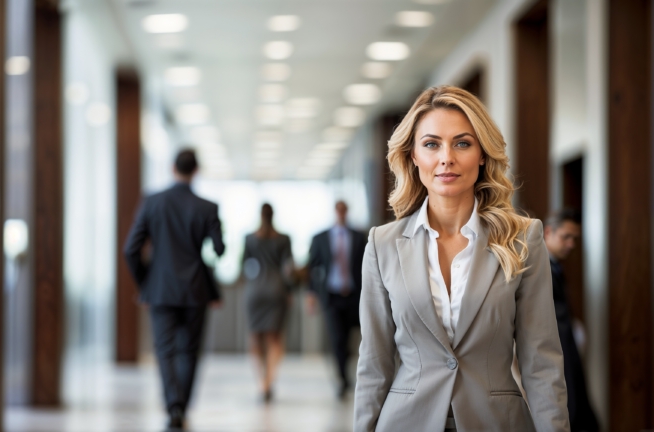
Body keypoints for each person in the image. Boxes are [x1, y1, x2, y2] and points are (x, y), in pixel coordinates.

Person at [354, 86, 569, 431]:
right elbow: (374, 362)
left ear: (482, 154)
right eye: (431, 144)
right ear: (412, 155)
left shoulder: (522, 239)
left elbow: (540, 361)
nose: (446, 158)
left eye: (462, 143)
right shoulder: (383, 244)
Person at [123, 149, 225, 430]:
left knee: (165, 350)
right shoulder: (207, 207)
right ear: (196, 170)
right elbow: (219, 249)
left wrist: (145, 283)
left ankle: (173, 406)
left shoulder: (153, 202)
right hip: (195, 289)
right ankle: (182, 404)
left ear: (172, 168)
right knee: (189, 351)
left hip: (161, 289)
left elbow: (130, 248)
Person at [544, 209, 599, 432]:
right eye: (565, 237)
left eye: (574, 239)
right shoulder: (541, 269)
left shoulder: (556, 267)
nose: (571, 244)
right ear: (548, 232)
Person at [307, 201, 368, 399]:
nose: (341, 214)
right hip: (331, 296)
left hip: (354, 295)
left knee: (355, 339)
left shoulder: (359, 237)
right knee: (337, 339)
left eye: (344, 211)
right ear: (335, 212)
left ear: (347, 212)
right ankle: (342, 379)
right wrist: (311, 294)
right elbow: (311, 267)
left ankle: (352, 374)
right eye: (338, 211)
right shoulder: (321, 238)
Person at [241, 203, 294, 402]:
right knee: (275, 338)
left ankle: (260, 382)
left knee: (255, 337)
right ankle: (269, 380)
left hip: (255, 290)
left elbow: (243, 267)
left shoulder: (249, 239)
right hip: (276, 290)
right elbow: (288, 269)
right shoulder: (284, 239)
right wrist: (289, 291)